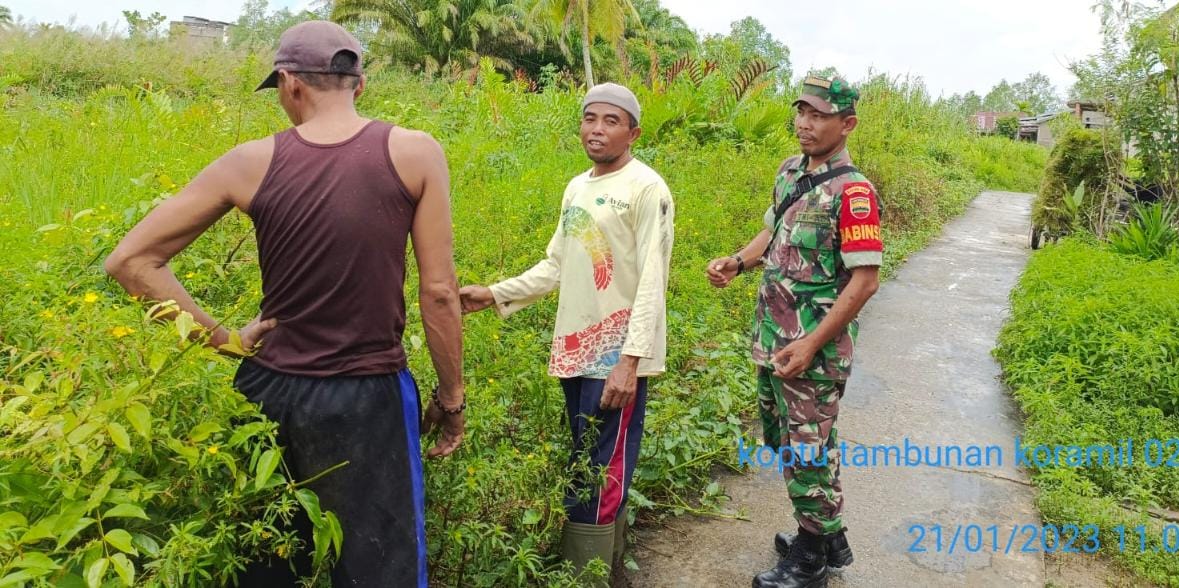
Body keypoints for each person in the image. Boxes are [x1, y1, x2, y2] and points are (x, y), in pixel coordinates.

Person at [104, 21, 464, 588]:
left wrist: (221, 339)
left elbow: (130, 262)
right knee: (380, 566)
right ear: (359, 83)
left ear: (291, 83)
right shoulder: (415, 153)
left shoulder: (250, 162)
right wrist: (451, 395)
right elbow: (439, 293)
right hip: (368, 395)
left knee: (263, 562)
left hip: (269, 393)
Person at [458, 82, 674, 585]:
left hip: (617, 355)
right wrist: (494, 293)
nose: (597, 130)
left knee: (604, 462)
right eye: (589, 118)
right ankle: (598, 565)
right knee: (585, 457)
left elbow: (651, 282)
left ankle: (587, 575)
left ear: (633, 132)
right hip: (575, 348)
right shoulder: (578, 187)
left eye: (611, 121)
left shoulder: (647, 189)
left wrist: (630, 360)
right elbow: (555, 265)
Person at [705, 74, 882, 588]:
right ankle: (828, 535)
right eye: (801, 111)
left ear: (846, 124)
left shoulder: (854, 194)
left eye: (818, 115)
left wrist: (810, 343)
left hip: (814, 352)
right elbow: (774, 228)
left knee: (807, 449)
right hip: (773, 343)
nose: (804, 123)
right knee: (791, 442)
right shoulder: (789, 173)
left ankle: (810, 556)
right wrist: (738, 261)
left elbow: (865, 281)